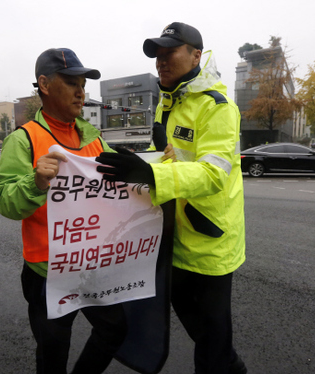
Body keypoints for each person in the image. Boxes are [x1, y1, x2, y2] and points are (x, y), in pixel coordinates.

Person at [96, 22, 247, 374]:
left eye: (169, 53)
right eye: (158, 56)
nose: (161, 62)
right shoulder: (168, 102)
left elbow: (212, 174)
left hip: (209, 244)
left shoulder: (218, 107)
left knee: (211, 344)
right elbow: (165, 157)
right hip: (172, 238)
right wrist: (140, 162)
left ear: (196, 55)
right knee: (205, 336)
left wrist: (150, 173)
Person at [0, 48, 128, 374]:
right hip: (47, 275)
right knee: (53, 352)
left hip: (90, 267)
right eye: (71, 82)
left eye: (83, 84)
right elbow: (4, 201)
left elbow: (122, 180)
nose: (81, 92)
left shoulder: (94, 138)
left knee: (115, 328)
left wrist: (154, 166)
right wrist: (36, 182)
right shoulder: (24, 139)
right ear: (44, 84)